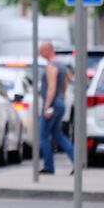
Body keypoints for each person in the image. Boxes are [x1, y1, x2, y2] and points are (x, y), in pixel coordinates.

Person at [39, 41, 74, 174]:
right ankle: (76, 160)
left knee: (43, 135)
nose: (40, 53)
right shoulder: (61, 65)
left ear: (48, 50)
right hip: (59, 103)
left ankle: (49, 166)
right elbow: (64, 86)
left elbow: (51, 87)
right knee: (57, 135)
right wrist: (62, 98)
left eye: (41, 50)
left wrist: (47, 106)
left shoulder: (52, 66)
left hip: (53, 104)